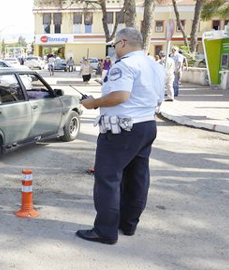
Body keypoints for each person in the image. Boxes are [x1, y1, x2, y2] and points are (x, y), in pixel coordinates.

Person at [78, 27, 165, 245]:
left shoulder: (124, 65)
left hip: (122, 129)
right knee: (137, 176)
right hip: (146, 125)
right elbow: (158, 98)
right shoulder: (155, 65)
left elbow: (120, 95)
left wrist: (93, 103)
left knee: (107, 178)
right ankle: (128, 224)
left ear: (123, 42)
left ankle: (105, 231)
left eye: (114, 45)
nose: (114, 49)